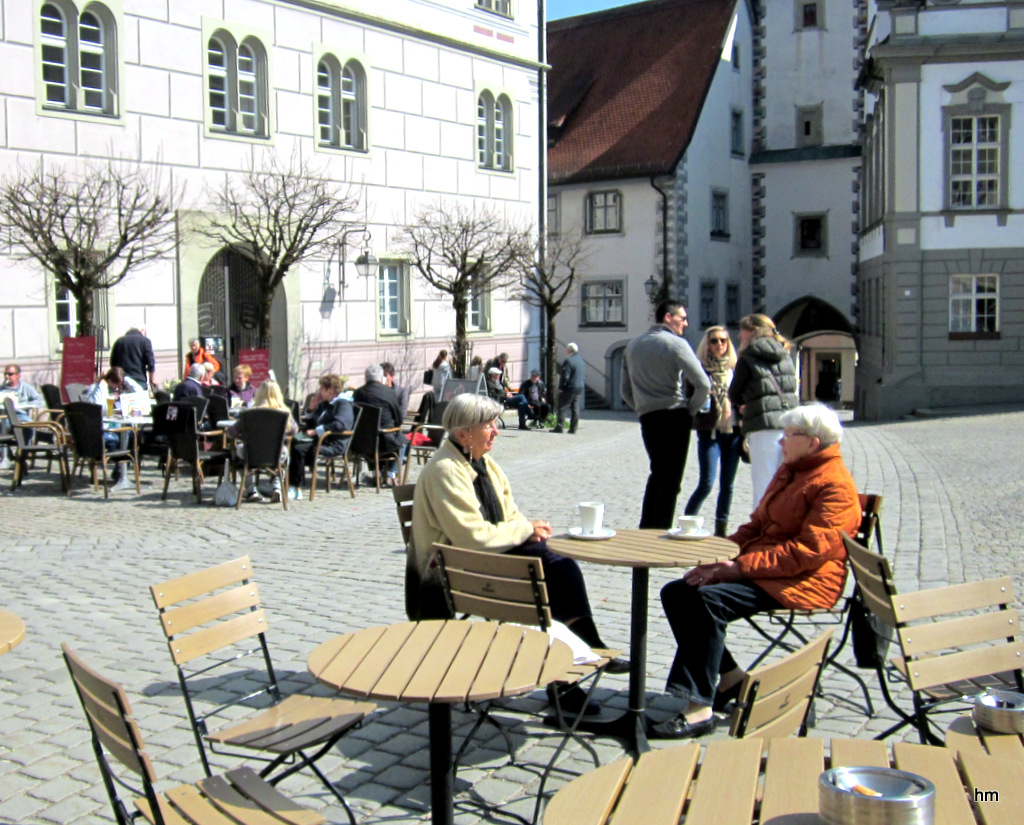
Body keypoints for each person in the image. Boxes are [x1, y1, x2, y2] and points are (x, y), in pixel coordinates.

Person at [652, 403, 860, 739]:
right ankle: (731, 679)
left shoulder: (834, 486)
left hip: (805, 580)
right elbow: (757, 525)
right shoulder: (792, 470)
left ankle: (698, 705)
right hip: (772, 569)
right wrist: (718, 555)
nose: (780, 442)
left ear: (812, 443)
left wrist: (736, 569)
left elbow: (807, 554)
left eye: (788, 436)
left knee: (707, 601)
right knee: (678, 591)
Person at [410, 393, 628, 700]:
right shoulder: (445, 470)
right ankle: (574, 671)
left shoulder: (484, 463)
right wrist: (525, 530)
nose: (497, 430)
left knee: (554, 564)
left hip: (482, 563)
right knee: (547, 574)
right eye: (488, 425)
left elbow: (510, 514)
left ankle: (572, 674)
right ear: (462, 434)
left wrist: (528, 532)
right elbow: (471, 536)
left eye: (495, 423)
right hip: (453, 576)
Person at [620, 301, 710, 529]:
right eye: (682, 318)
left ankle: (647, 529)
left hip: (649, 418)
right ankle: (659, 533)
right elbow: (702, 384)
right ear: (668, 317)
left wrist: (642, 407)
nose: (686, 323)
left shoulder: (632, 346)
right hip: (674, 415)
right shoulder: (676, 344)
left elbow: (625, 391)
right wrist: (689, 411)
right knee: (671, 481)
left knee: (658, 473)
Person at [729, 313, 798, 507]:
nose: (739, 336)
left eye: (742, 331)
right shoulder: (786, 353)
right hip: (788, 425)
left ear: (753, 331)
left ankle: (761, 531)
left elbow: (734, 393)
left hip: (762, 425)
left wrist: (744, 405)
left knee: (763, 484)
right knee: (783, 482)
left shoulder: (749, 357)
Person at [682, 327, 744, 538]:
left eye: (724, 341)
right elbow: (687, 399)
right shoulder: (699, 371)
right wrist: (700, 399)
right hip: (709, 433)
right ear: (706, 344)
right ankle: (688, 522)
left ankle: (721, 531)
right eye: (714, 341)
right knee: (707, 482)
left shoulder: (735, 370)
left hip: (733, 432)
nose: (719, 345)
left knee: (728, 484)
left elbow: (743, 396)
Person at [228, 380, 297, 503]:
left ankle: (250, 489)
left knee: (237, 452)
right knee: (286, 455)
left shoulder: (249, 413)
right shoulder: (284, 413)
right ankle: (277, 487)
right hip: (277, 453)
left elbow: (233, 431)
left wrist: (243, 433)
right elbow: (295, 430)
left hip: (251, 453)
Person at [288, 374, 354, 500]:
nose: (319, 392)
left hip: (333, 443)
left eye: (322, 389)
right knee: (293, 443)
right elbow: (312, 423)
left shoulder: (343, 404)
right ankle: (290, 483)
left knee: (298, 449)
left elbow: (341, 424)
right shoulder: (326, 403)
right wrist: (312, 407)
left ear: (330, 390)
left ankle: (295, 487)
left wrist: (317, 431)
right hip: (321, 440)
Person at [352, 364, 404, 486]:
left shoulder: (358, 393)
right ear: (382, 378)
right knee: (401, 439)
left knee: (371, 433)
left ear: (366, 378)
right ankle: (391, 474)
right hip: (386, 441)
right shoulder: (389, 393)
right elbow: (398, 419)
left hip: (363, 442)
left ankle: (376, 474)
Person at [552, 343, 585, 434]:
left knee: (562, 406)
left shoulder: (569, 361)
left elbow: (565, 376)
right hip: (580, 386)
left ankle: (559, 427)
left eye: (567, 349)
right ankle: (573, 428)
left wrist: (561, 387)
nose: (566, 351)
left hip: (570, 387)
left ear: (570, 350)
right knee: (575, 408)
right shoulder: (581, 360)